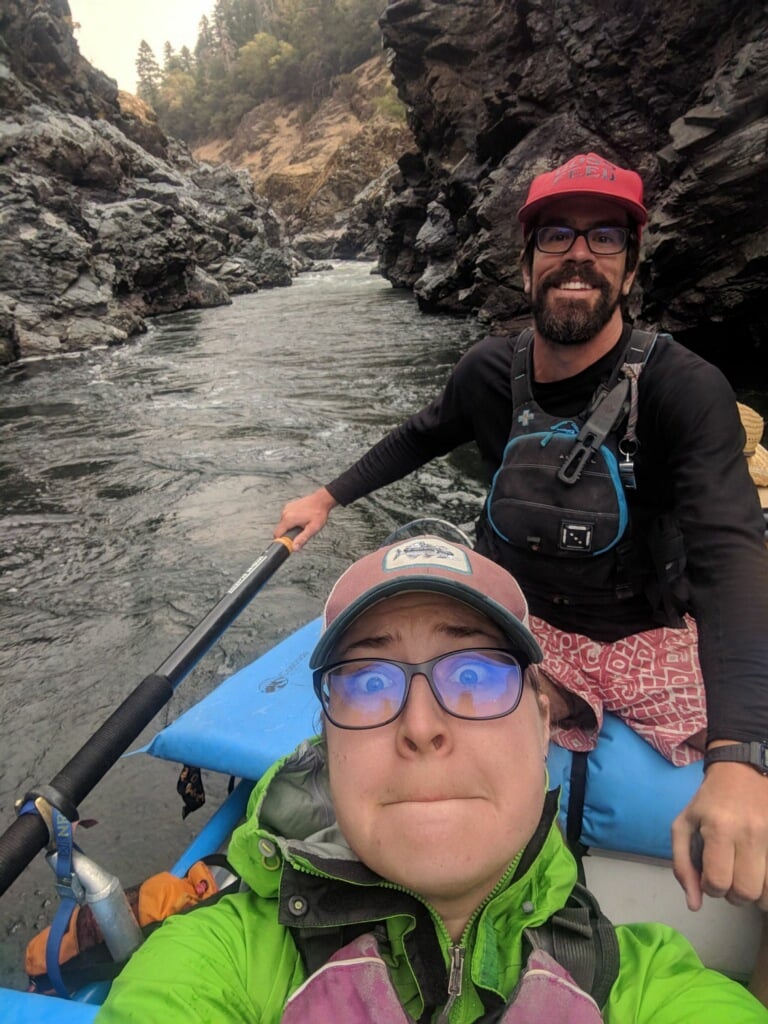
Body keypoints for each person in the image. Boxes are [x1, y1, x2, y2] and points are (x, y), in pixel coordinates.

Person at [274, 153, 768, 961]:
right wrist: (327, 497)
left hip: (646, 637)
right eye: (557, 236)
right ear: (527, 259)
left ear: (632, 264)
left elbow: (732, 555)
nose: (580, 255)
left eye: (605, 236)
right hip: (517, 633)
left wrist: (741, 759)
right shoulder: (490, 372)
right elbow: (419, 436)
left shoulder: (684, 387)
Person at [96, 536, 768, 1022]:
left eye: (475, 675)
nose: (421, 725)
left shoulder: (649, 984)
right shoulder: (216, 961)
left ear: (542, 724)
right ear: (327, 742)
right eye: (367, 681)